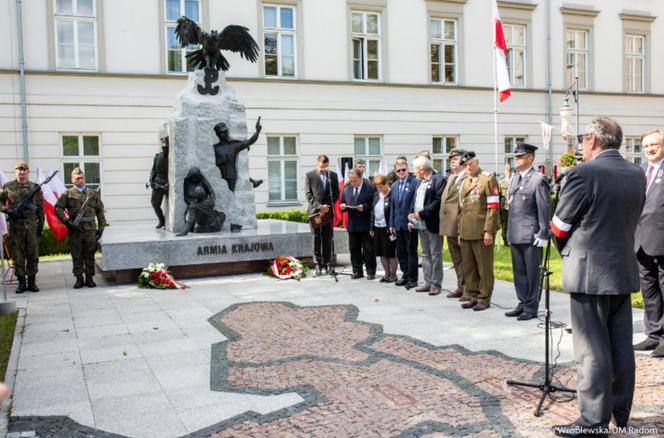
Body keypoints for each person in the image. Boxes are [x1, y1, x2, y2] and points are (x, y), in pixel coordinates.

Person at [551, 118, 645, 438]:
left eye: (582, 140)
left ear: (592, 141)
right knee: (621, 347)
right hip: (622, 270)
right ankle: (621, 414)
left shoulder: (583, 172)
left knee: (591, 350)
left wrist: (566, 251)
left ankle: (593, 422)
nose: (580, 145)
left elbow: (559, 226)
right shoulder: (637, 173)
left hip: (588, 271)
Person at [504, 143, 551, 321]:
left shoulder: (538, 179)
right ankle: (523, 302)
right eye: (515, 156)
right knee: (519, 272)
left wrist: (543, 233)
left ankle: (531, 306)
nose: (516, 159)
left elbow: (544, 208)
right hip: (516, 232)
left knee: (532, 272)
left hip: (531, 233)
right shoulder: (515, 178)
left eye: (520, 156)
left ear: (530, 158)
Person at [633, 129, 664, 358]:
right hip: (640, 241)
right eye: (646, 146)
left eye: (655, 144)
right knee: (649, 289)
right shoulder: (640, 171)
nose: (650, 149)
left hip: (662, 240)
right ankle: (653, 334)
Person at [457, 152, 500, 311]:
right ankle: (473, 295)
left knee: (484, 267)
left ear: (477, 162)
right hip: (466, 230)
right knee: (469, 267)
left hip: (481, 231)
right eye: (466, 165)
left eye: (471, 164)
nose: (468, 167)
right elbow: (462, 209)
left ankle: (484, 297)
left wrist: (489, 230)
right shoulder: (465, 180)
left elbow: (493, 207)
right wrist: (459, 231)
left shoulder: (487, 179)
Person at [55, 168, 106, 289]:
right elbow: (57, 208)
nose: (80, 180)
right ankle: (79, 278)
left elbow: (100, 211)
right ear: (72, 179)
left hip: (90, 229)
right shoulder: (68, 194)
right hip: (75, 230)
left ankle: (89, 278)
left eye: (82, 178)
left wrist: (101, 227)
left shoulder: (92, 193)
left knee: (90, 254)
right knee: (76, 255)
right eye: (77, 178)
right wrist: (67, 222)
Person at [0, 162, 44, 293]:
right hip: (15, 227)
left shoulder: (35, 187)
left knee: (33, 255)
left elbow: (41, 210)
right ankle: (21, 284)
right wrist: (8, 211)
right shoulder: (7, 187)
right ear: (15, 172)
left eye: (24, 170)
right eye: (19, 170)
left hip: (31, 227)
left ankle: (31, 282)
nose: (22, 172)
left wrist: (40, 226)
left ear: (28, 172)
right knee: (18, 256)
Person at [408, 156, 446, 295]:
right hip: (419, 224)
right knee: (424, 254)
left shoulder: (439, 180)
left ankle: (436, 284)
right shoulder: (419, 182)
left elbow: (438, 201)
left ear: (422, 169)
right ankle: (427, 281)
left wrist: (423, 214)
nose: (414, 171)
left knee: (435, 254)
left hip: (432, 223)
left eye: (416, 168)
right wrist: (411, 214)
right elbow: (414, 199)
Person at [439, 148, 467, 298]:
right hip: (449, 224)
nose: (453, 161)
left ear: (464, 160)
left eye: (456, 158)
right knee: (456, 258)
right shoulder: (451, 178)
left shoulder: (467, 177)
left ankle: (468, 288)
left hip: (460, 225)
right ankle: (460, 285)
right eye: (451, 159)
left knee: (466, 258)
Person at [304, 155, 339, 276]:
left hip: (328, 212)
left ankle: (328, 263)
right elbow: (308, 195)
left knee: (327, 237)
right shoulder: (310, 175)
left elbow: (336, 193)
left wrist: (327, 207)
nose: (324, 169)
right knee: (316, 237)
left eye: (326, 166)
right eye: (321, 167)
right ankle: (318, 264)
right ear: (317, 164)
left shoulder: (332, 176)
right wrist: (320, 207)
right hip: (315, 212)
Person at [340, 168, 376, 279]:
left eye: (355, 180)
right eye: (351, 180)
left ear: (360, 177)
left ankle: (371, 272)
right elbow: (343, 202)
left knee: (368, 250)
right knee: (354, 249)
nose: (353, 183)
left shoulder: (370, 188)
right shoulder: (346, 189)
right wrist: (342, 207)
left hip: (366, 225)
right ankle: (357, 271)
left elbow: (374, 205)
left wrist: (364, 207)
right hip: (353, 224)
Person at [389, 158, 419, 289]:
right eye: (398, 170)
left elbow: (415, 204)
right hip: (398, 224)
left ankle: (413, 278)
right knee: (401, 252)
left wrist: (412, 221)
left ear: (408, 169)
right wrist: (391, 224)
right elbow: (393, 207)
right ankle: (405, 275)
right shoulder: (394, 186)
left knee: (411, 252)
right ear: (395, 172)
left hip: (409, 224)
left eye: (403, 169)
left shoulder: (415, 183)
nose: (401, 172)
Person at [213, 118, 262, 192]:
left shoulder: (234, 145)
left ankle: (253, 181)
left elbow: (250, 141)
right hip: (219, 176)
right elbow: (216, 163)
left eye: (226, 131)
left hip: (231, 175)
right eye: (222, 132)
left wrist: (257, 131)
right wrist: (225, 159)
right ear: (217, 134)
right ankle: (253, 181)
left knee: (230, 196)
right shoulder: (216, 147)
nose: (225, 133)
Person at [177, 167, 225, 236]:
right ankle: (200, 227)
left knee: (218, 216)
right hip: (193, 204)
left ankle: (202, 227)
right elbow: (186, 196)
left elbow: (211, 191)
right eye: (193, 177)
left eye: (197, 176)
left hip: (202, 212)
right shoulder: (187, 182)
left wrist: (211, 198)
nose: (195, 178)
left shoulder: (206, 201)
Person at [371, 174, 397, 282]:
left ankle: (393, 275)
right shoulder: (376, 195)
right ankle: (386, 274)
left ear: (386, 184)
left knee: (390, 252)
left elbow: (394, 211)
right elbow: (372, 212)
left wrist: (393, 225)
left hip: (389, 227)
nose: (379, 189)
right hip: (377, 227)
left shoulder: (392, 194)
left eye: (381, 186)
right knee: (381, 252)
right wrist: (371, 227)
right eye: (377, 187)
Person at [149, 124, 169, 229]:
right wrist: (151, 180)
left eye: (166, 146)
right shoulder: (157, 157)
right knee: (154, 203)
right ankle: (161, 220)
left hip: (167, 182)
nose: (164, 147)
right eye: (163, 145)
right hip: (158, 182)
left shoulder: (172, 157)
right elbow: (154, 170)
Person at [498, 164, 513, 246]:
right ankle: (505, 239)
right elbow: (499, 196)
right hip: (504, 206)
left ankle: (512, 239)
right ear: (505, 172)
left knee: (513, 224)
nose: (509, 173)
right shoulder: (501, 182)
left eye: (510, 171)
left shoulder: (514, 181)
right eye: (507, 171)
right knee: (505, 224)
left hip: (513, 206)